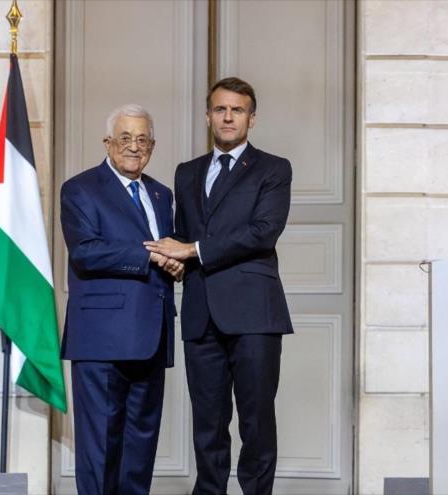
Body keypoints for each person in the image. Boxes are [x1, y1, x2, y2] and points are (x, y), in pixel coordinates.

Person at [144, 77, 293, 495]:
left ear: (252, 118)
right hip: (200, 312)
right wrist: (172, 259)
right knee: (207, 422)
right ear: (208, 115)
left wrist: (190, 250)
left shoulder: (273, 168)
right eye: (221, 109)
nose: (228, 117)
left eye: (238, 110)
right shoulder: (186, 171)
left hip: (254, 314)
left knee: (256, 419)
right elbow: (181, 236)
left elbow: (263, 233)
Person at [60, 104, 183, 494]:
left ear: (153, 146)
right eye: (125, 138)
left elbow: (169, 251)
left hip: (151, 334)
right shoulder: (80, 188)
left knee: (139, 447)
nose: (134, 147)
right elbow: (86, 251)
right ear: (108, 143)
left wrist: (178, 264)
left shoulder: (162, 194)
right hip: (102, 339)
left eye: (142, 140)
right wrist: (149, 255)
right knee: (100, 448)